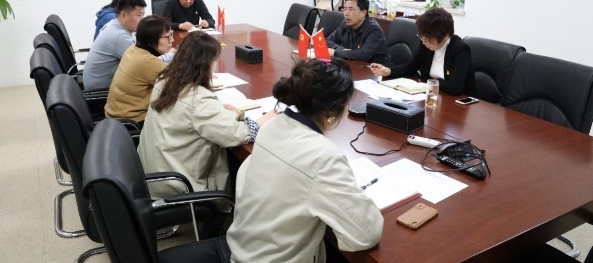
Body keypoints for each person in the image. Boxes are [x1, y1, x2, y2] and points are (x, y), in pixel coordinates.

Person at [227, 58, 384, 262]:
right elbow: (367, 233)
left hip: (243, 250)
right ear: (332, 112)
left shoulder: (272, 126)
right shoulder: (324, 157)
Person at [137, 32, 277, 199]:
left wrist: (218, 110)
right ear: (205, 64)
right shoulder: (199, 100)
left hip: (152, 173)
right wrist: (269, 116)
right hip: (179, 186)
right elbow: (238, 134)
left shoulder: (165, 80)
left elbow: (190, 113)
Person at [370, 7, 475, 96]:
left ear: (445, 36)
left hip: (456, 102)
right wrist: (389, 71)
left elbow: (455, 87)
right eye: (422, 37)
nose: (424, 42)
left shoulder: (460, 50)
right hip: (431, 95)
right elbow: (411, 66)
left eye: (429, 39)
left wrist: (428, 83)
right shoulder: (426, 44)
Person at [104, 15, 175, 124]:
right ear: (151, 41)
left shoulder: (133, 49)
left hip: (115, 114)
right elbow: (180, 83)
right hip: (133, 120)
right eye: (167, 37)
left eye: (171, 34)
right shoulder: (148, 61)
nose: (172, 40)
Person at [83, 0, 146, 91]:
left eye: (143, 15)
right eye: (139, 15)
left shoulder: (115, 25)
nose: (142, 20)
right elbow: (144, 63)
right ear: (124, 15)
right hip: (102, 91)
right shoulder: (118, 35)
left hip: (105, 83)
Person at [326, 0, 391, 67]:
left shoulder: (374, 30)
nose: (346, 13)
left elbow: (364, 55)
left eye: (351, 9)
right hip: (354, 64)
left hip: (376, 69)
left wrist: (336, 52)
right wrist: (341, 49)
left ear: (363, 13)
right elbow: (327, 40)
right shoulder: (345, 24)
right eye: (345, 9)